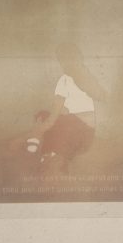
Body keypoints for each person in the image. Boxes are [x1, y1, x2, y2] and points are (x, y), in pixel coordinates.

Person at [25, 43, 107, 172]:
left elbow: (53, 117)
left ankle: (40, 145)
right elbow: (101, 96)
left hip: (72, 134)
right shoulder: (88, 78)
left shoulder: (64, 80)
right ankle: (53, 153)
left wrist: (39, 130)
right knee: (55, 117)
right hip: (87, 139)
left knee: (45, 117)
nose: (63, 64)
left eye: (63, 60)